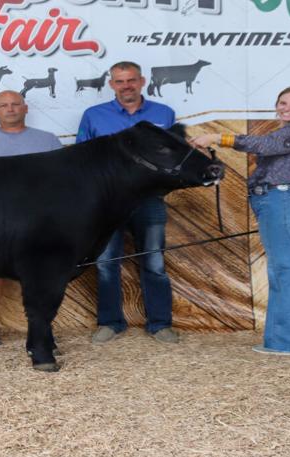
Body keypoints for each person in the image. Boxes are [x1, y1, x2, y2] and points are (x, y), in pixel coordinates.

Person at [192, 87, 290, 355]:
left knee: (286, 270)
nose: (287, 108)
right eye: (283, 102)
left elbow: (266, 146)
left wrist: (219, 137)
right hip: (276, 202)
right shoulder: (287, 131)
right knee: (289, 269)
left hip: (280, 200)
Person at [77, 62, 179, 345]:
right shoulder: (93, 116)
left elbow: (173, 159)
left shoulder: (163, 114)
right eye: (120, 81)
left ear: (142, 81)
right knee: (106, 263)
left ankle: (160, 324)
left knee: (155, 263)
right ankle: (110, 323)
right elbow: (83, 160)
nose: (126, 86)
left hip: (149, 201)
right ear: (111, 84)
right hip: (108, 205)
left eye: (131, 80)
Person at [0, 90, 62, 348]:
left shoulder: (48, 141)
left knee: (41, 275)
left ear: (25, 108)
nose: (10, 109)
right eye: (3, 105)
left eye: (15, 104)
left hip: (39, 220)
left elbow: (62, 183)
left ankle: (42, 330)